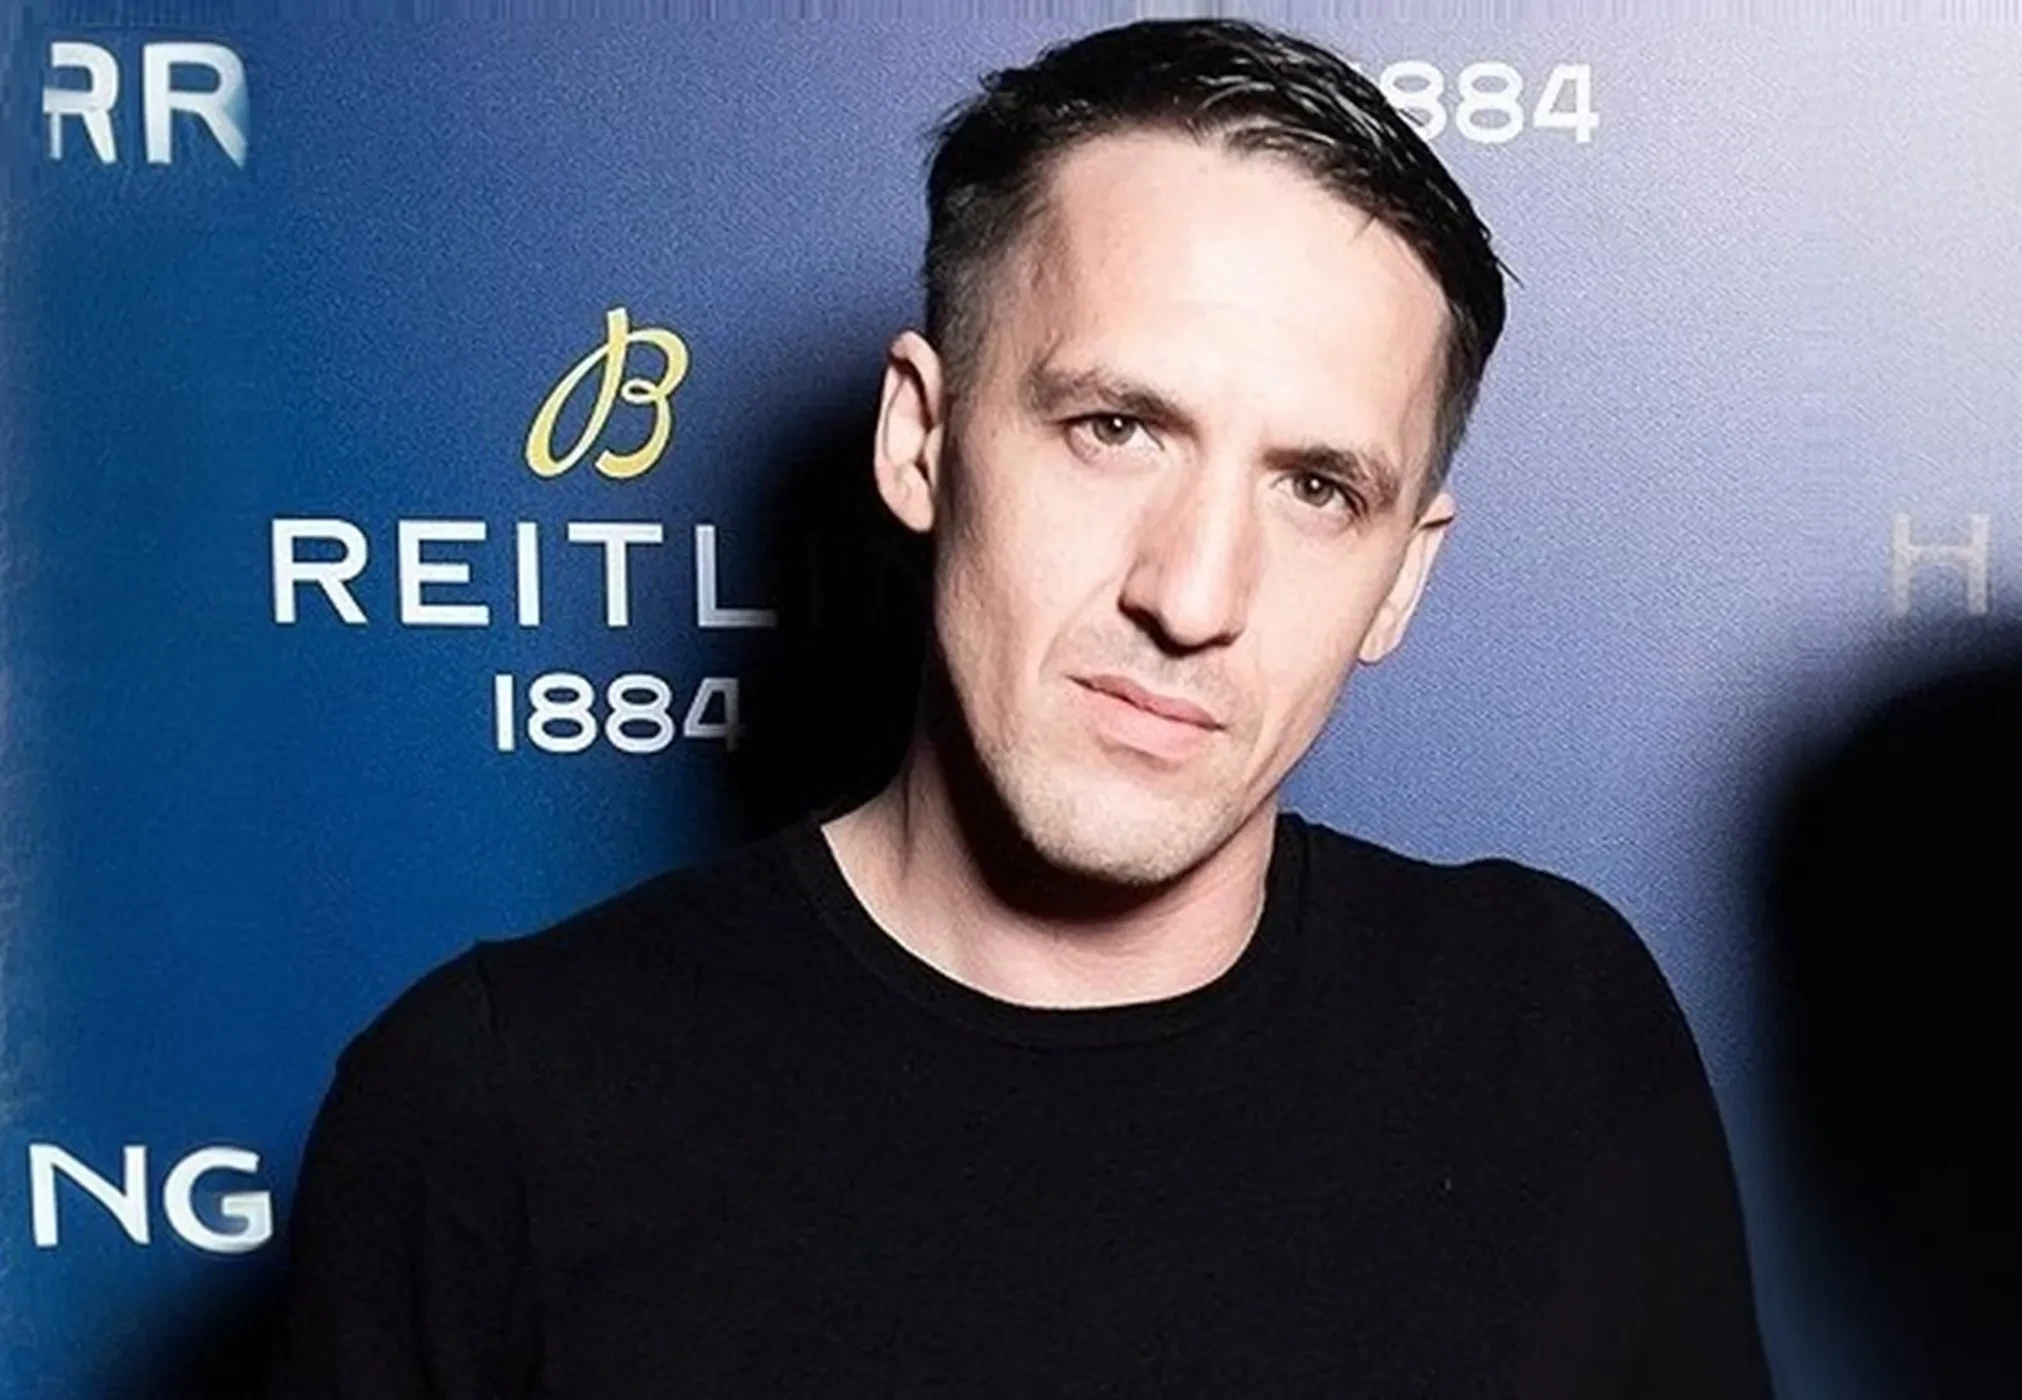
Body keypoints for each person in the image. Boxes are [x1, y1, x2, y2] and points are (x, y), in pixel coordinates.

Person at [268, 18, 1771, 1397]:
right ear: (921, 438)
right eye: (1115, 428)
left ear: (1402, 577)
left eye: (1317, 488)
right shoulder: (494, 1111)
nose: (1192, 594)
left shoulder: (1549, 1030)